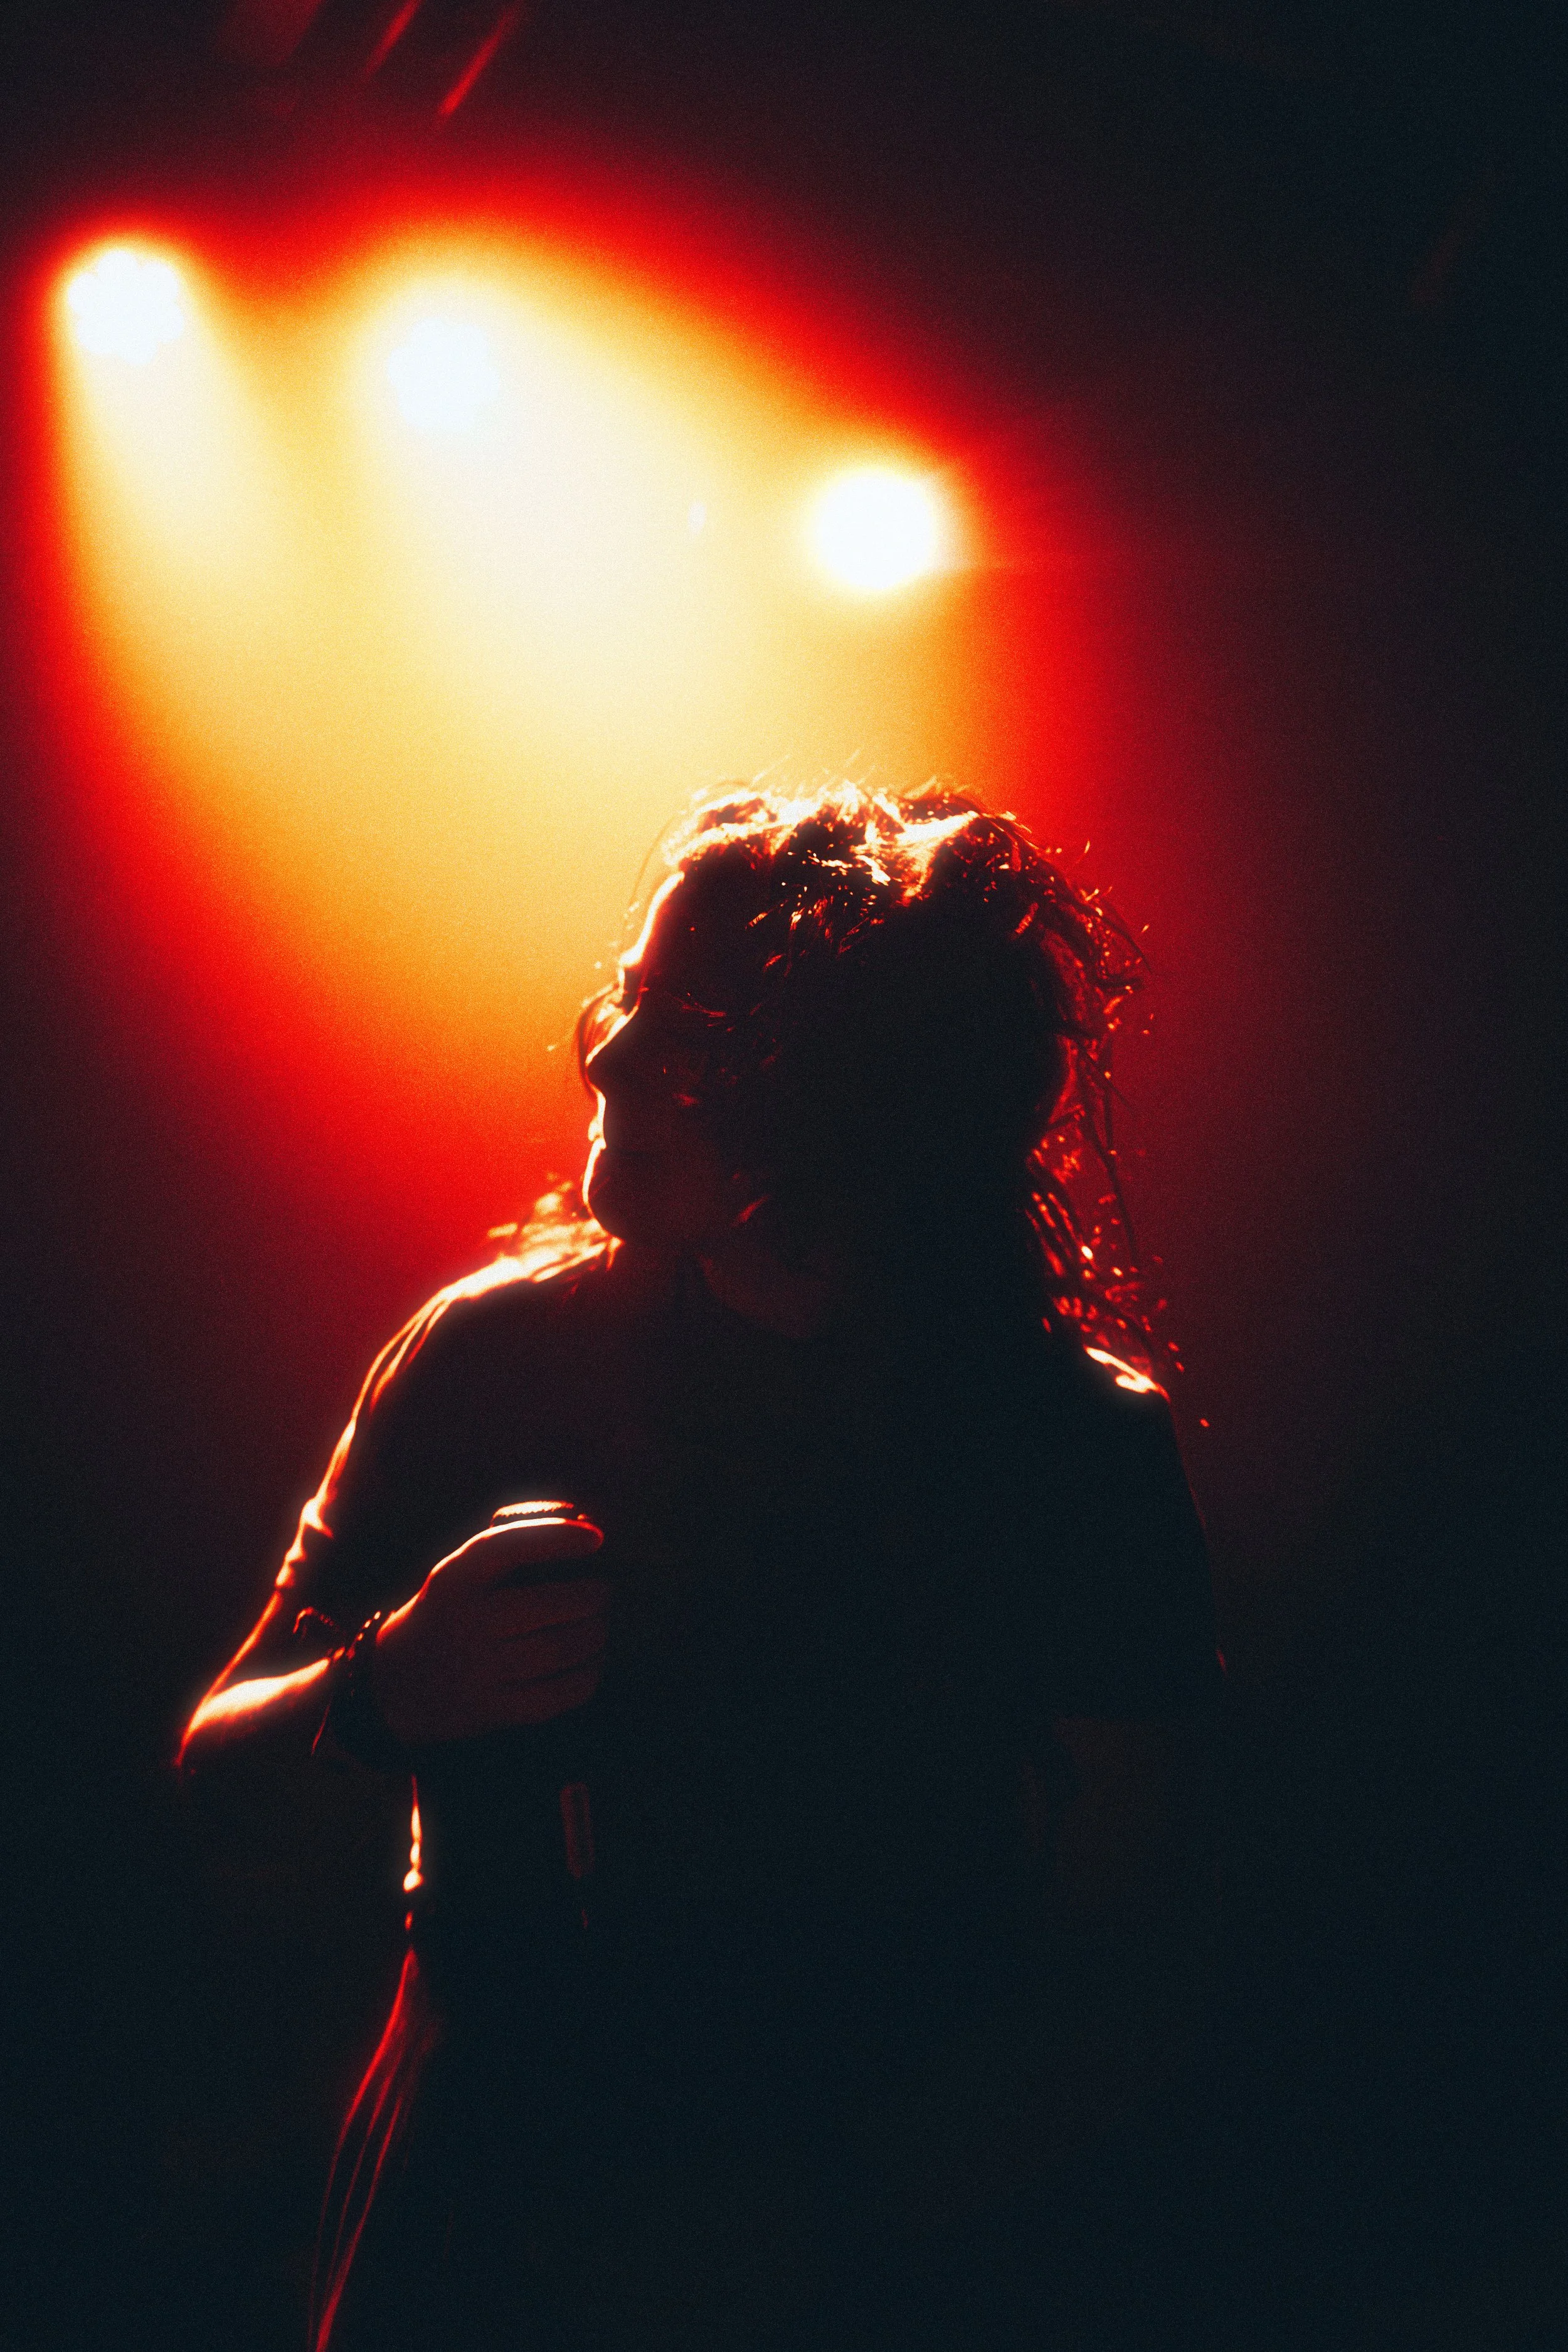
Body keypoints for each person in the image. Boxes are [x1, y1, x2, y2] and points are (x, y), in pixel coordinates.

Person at [180, 782, 1222, 2352]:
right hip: (474, 2231)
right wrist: (383, 1689)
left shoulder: (1070, 1451)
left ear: (855, 1107)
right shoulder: (495, 1357)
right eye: (626, 1003)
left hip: (890, 2259)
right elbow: (214, 1777)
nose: (601, 1058)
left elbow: (1139, 1971)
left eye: (684, 1039)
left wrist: (822, 2211)